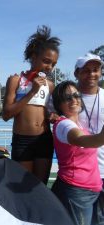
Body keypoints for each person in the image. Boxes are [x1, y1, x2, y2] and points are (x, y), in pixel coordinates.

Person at [2, 25, 60, 184]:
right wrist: (32, 91)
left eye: (53, 64)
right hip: (22, 141)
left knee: (39, 187)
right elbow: (6, 114)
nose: (49, 67)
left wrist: (52, 116)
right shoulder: (16, 80)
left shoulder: (50, 85)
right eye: (46, 61)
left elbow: (50, 113)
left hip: (44, 140)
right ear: (33, 56)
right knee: (21, 187)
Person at [51, 80, 104, 225]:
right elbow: (81, 140)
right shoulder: (63, 125)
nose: (74, 100)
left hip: (92, 189)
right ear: (59, 104)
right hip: (77, 192)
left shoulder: (79, 123)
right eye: (67, 98)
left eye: (76, 95)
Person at [75, 53, 104, 188]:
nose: (92, 74)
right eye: (86, 70)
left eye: (95, 70)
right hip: (79, 171)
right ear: (76, 73)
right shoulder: (67, 98)